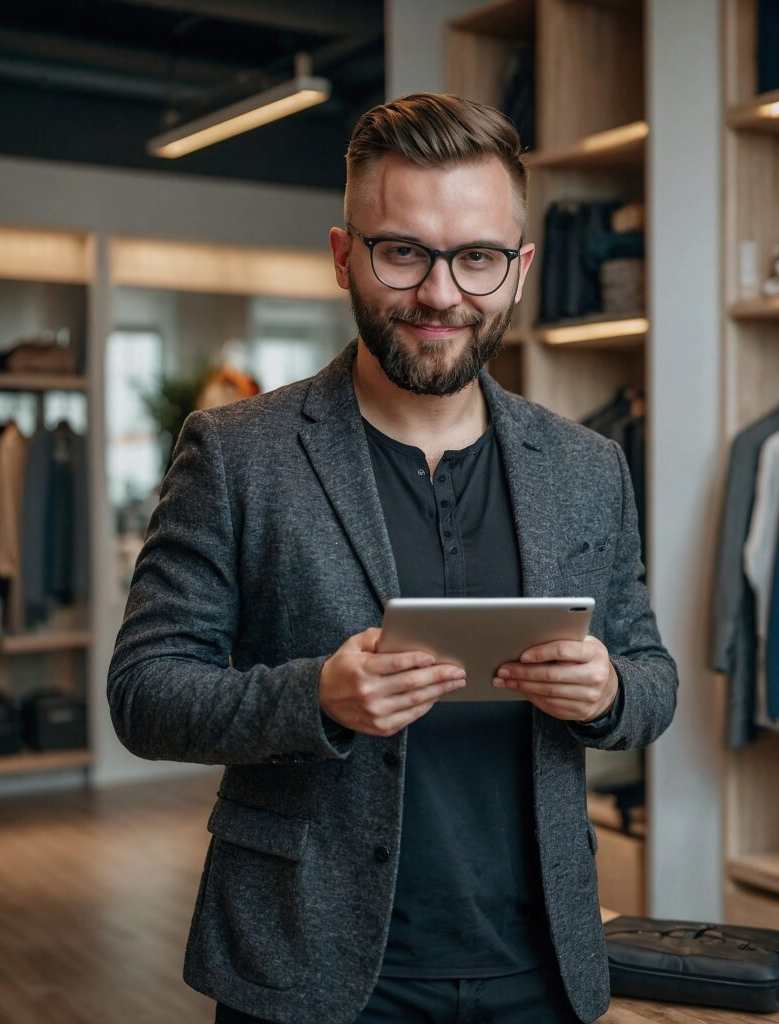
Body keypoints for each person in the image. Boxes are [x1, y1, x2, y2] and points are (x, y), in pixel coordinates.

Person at [107, 93, 678, 1024]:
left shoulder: (587, 466)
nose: (442, 294)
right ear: (344, 256)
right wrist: (315, 698)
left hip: (539, 969)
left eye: (478, 257)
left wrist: (609, 691)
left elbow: (653, 677)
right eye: (403, 251)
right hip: (309, 968)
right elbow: (144, 693)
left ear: (520, 270)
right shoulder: (237, 450)